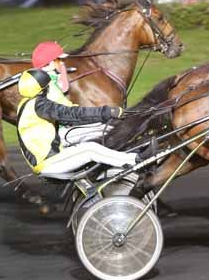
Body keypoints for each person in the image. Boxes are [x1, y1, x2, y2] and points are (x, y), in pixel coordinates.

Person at [16, 41, 154, 179]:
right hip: (49, 161)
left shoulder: (28, 103)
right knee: (90, 149)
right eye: (59, 60)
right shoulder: (40, 105)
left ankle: (126, 155)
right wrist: (106, 113)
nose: (62, 63)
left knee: (98, 134)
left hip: (53, 150)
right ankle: (135, 160)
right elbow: (70, 114)